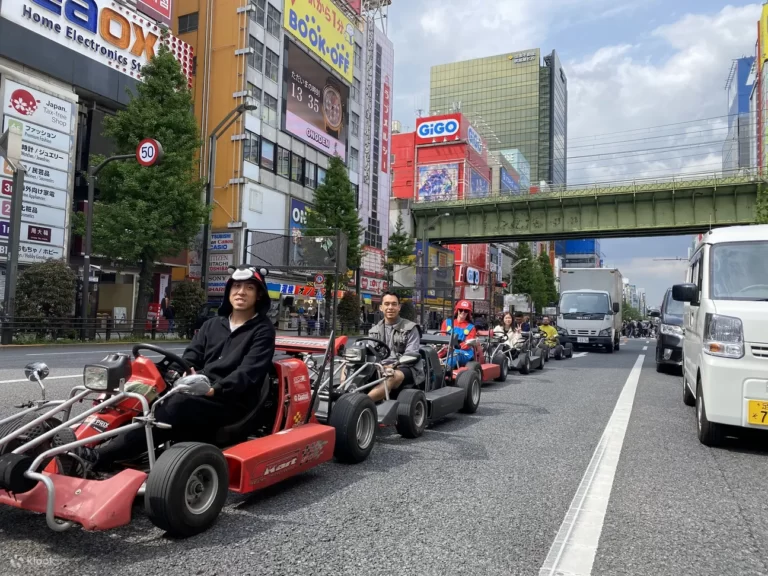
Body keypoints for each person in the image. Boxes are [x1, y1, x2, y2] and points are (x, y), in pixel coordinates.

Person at [78, 265, 277, 471]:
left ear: (259, 295)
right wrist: (170, 373)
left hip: (230, 399)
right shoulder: (212, 325)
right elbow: (191, 357)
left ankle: (100, 456)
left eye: (249, 288)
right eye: (236, 286)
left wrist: (214, 389)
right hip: (198, 388)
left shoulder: (262, 330)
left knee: (175, 404)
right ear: (229, 292)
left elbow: (249, 371)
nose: (241, 292)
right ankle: (80, 440)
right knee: (137, 395)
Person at [364, 291, 424, 402]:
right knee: (348, 367)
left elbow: (412, 354)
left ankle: (361, 403)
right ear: (381, 307)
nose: (390, 307)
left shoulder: (411, 328)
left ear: (399, 307)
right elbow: (370, 353)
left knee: (390, 376)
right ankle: (345, 397)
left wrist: (393, 366)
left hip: (406, 368)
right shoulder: (374, 330)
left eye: (394, 304)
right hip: (380, 366)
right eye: (387, 304)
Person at [440, 300, 478, 369]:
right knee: (432, 352)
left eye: (466, 311)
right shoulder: (447, 322)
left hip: (464, 352)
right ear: (457, 310)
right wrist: (446, 346)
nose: (463, 312)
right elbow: (442, 336)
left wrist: (456, 347)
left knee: (455, 354)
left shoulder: (471, 327)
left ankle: (444, 369)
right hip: (446, 348)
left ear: (468, 313)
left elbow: (468, 344)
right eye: (461, 310)